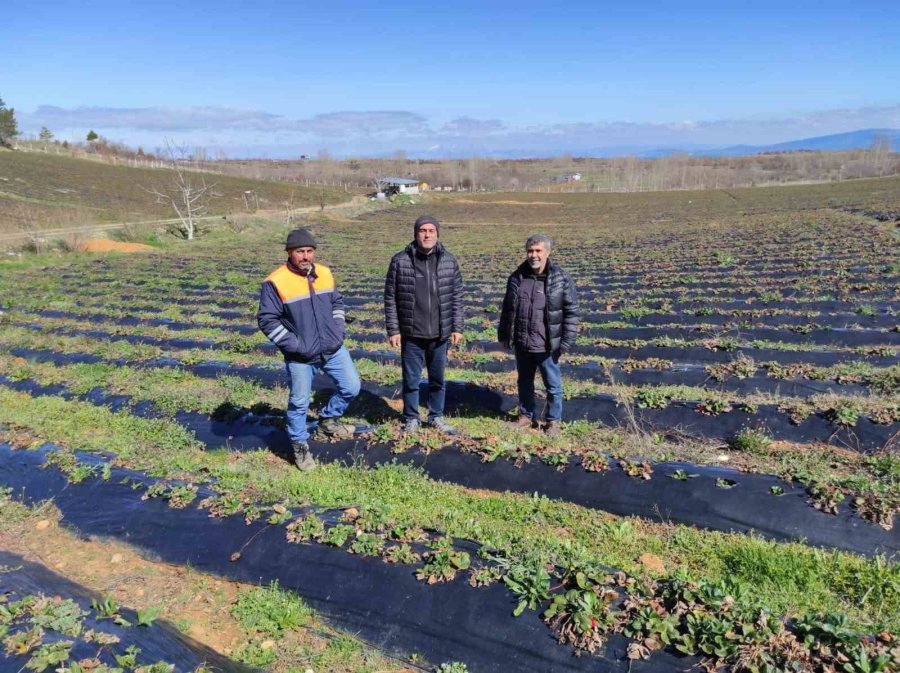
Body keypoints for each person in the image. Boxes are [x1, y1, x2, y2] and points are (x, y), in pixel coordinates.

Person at [257, 227, 361, 471]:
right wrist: (295, 345)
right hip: (300, 357)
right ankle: (299, 446)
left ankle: (328, 421)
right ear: (289, 253)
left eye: (309, 251)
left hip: (332, 348)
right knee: (299, 402)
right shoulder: (276, 281)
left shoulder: (324, 273)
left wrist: (338, 329)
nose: (305, 256)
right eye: (300, 251)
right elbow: (267, 320)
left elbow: (337, 302)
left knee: (351, 386)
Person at [384, 215, 464, 434]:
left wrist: (457, 327)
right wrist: (394, 330)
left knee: (437, 379)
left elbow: (456, 296)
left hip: (439, 334)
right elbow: (390, 297)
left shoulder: (449, 261)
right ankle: (411, 418)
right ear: (416, 234)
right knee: (411, 380)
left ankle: (436, 416)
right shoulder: (400, 261)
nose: (427, 235)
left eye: (431, 231)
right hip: (412, 334)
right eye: (422, 231)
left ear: (437, 234)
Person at [497, 234, 579, 437]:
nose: (533, 255)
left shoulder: (561, 278)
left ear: (547, 252)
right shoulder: (517, 277)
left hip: (547, 344)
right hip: (523, 342)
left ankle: (553, 421)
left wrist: (566, 341)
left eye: (538, 251)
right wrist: (504, 334)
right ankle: (526, 416)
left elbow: (571, 311)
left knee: (553, 385)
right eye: (530, 251)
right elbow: (507, 309)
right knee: (524, 381)